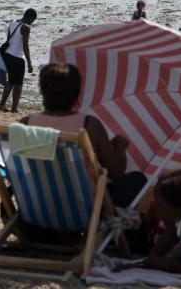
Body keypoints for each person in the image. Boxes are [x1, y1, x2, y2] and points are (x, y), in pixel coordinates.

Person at [20, 63, 147, 209]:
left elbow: (20, 169)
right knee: (138, 179)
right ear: (77, 92)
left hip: (36, 206)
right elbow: (116, 172)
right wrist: (120, 145)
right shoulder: (89, 126)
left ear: (42, 90)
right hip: (80, 210)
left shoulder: (26, 124)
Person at [0, 8, 36, 113]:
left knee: (10, 82)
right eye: (33, 21)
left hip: (7, 55)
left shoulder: (13, 22)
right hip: (18, 58)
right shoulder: (26, 27)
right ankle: (14, 108)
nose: (32, 23)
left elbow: (9, 40)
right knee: (18, 85)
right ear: (31, 18)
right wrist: (29, 63)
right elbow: (25, 46)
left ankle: (2, 104)